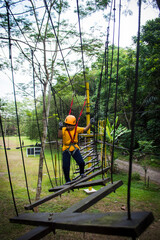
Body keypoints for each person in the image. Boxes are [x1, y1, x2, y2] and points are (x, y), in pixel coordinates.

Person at [58, 115, 94, 183]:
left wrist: (90, 123)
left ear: (74, 125)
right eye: (67, 125)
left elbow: (85, 129)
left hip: (74, 148)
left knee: (81, 162)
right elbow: (59, 136)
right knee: (65, 166)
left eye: (70, 125)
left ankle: (82, 173)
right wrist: (60, 128)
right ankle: (67, 180)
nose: (68, 127)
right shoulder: (63, 129)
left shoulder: (76, 129)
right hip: (66, 149)